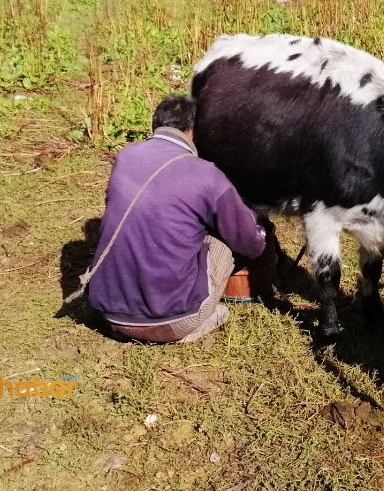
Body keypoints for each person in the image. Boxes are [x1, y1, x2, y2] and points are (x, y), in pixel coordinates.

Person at [86, 95, 274, 344]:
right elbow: (250, 244)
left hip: (110, 315)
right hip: (172, 322)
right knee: (224, 239)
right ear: (193, 132)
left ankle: (129, 325)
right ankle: (192, 322)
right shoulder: (207, 175)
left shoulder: (126, 156)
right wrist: (259, 223)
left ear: (155, 125)